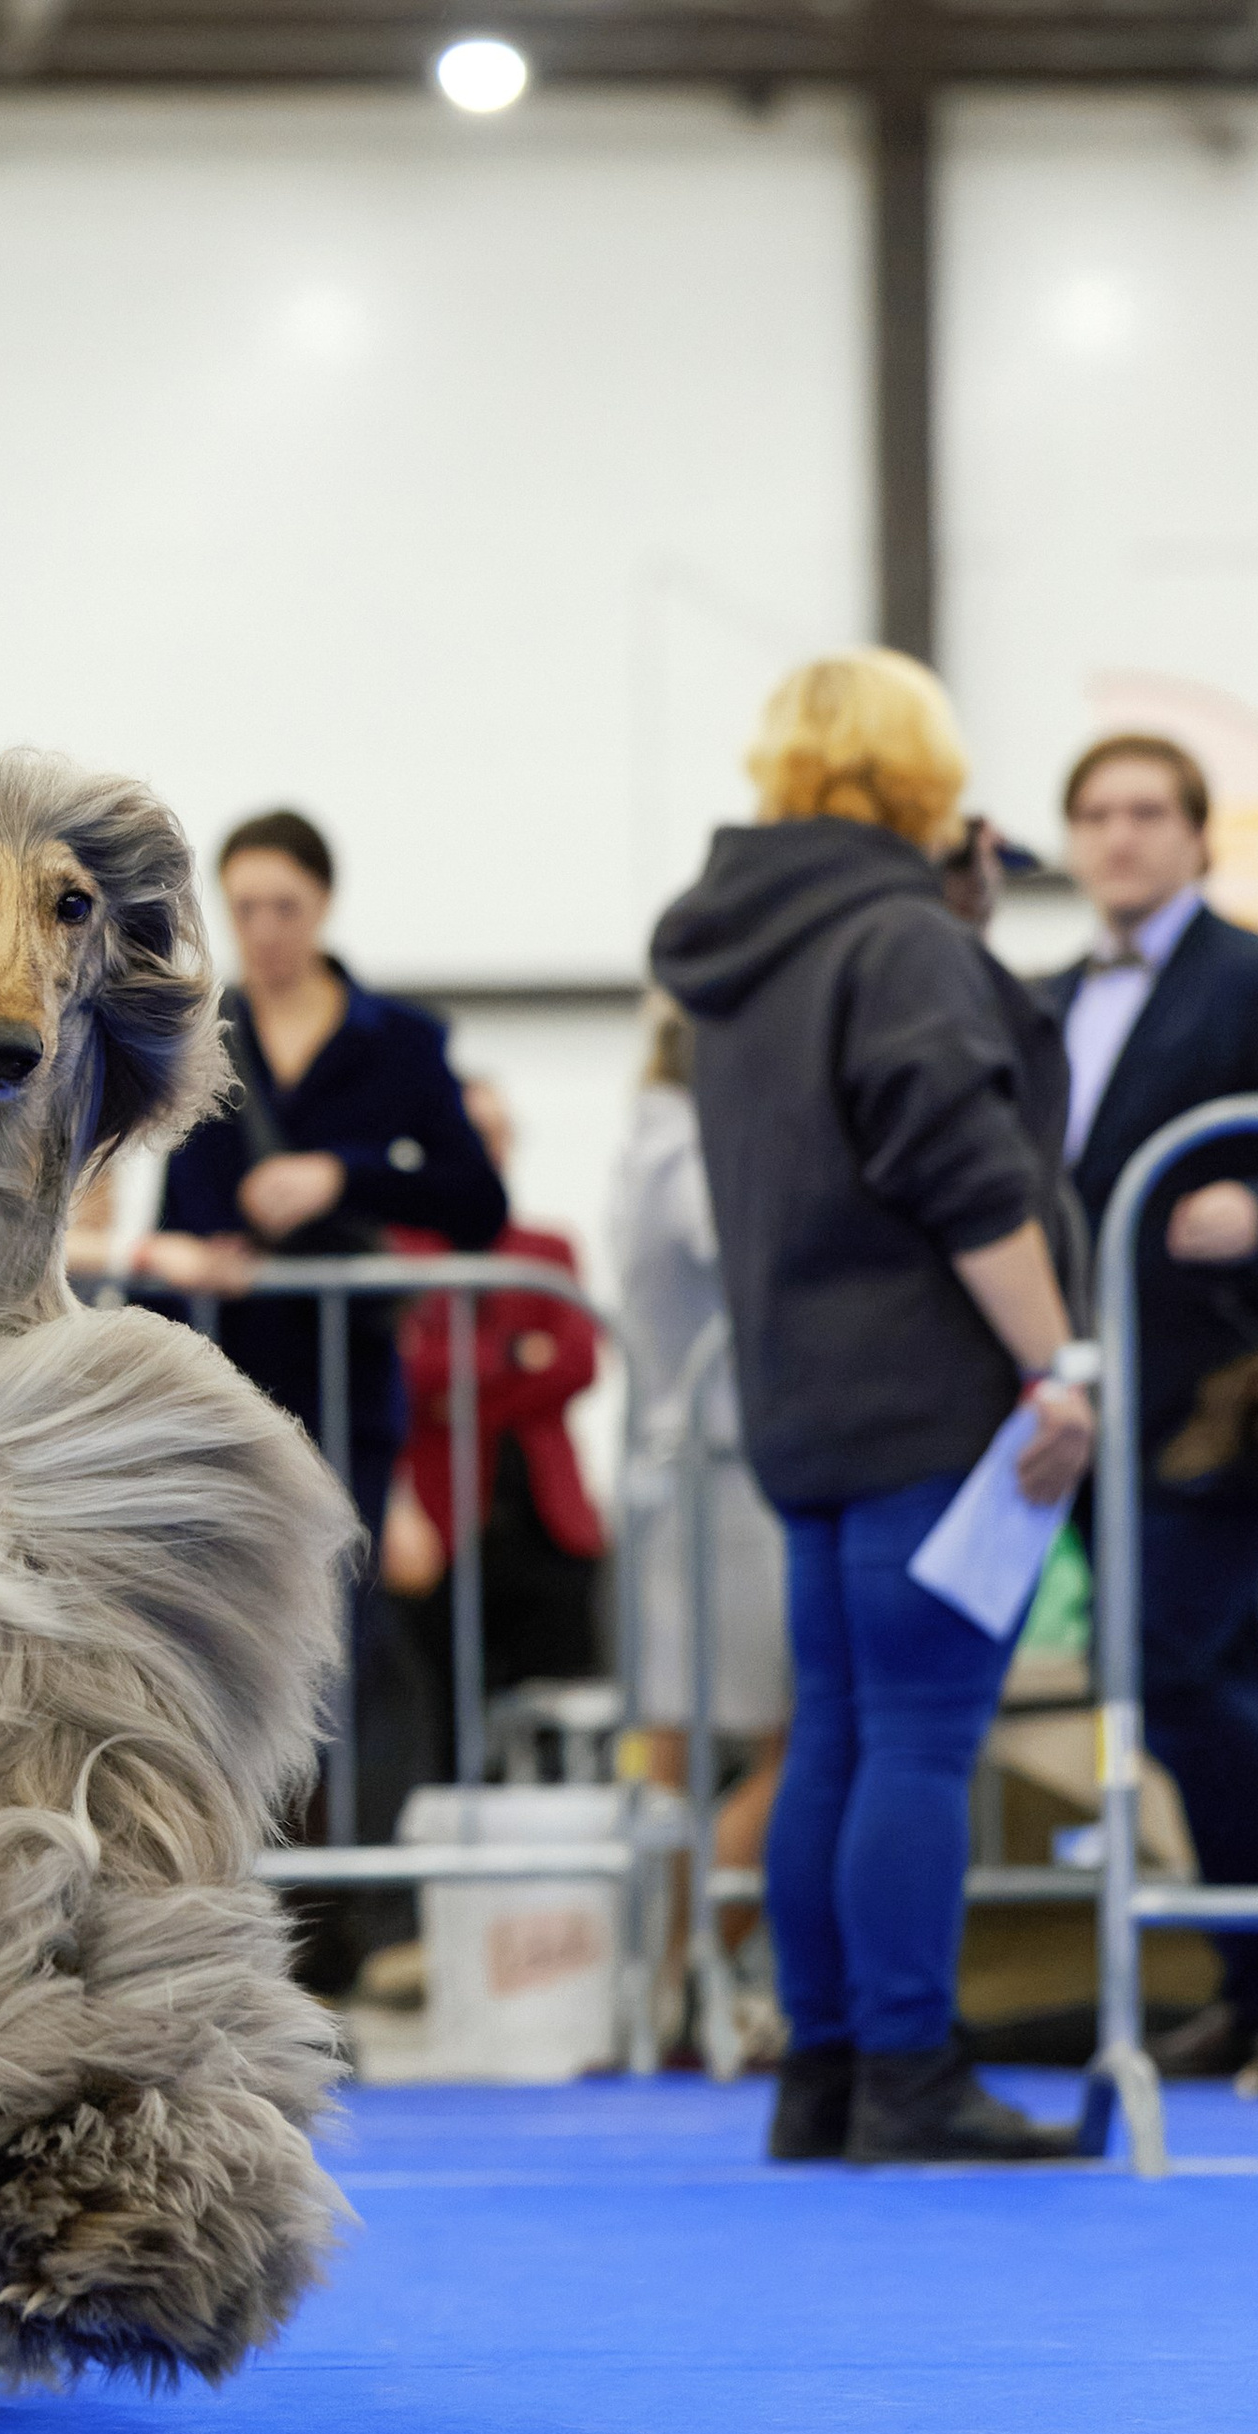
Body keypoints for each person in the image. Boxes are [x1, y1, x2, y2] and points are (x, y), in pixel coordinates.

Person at [651, 648, 1095, 2164]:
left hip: (803, 1401)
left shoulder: (749, 951)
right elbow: (963, 1173)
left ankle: (826, 2074)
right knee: (919, 1736)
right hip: (927, 1396)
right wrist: (1057, 1365)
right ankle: (911, 2070)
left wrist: (946, 923)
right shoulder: (897, 939)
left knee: (837, 1728)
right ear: (922, 773)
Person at [1036, 734, 1258, 2079]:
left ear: (1194, 832)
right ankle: (1243, 1984)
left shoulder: (1245, 976)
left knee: (1175, 1678)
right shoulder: (1042, 996)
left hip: (1224, 1405)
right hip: (1087, 1409)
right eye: (1096, 814)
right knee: (1171, 1685)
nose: (1119, 835)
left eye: (1144, 811)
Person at [140, 811, 505, 1529]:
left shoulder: (400, 1042)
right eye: (245, 909)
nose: (265, 930)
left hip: (348, 1380)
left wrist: (343, 1177)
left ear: (324, 904)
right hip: (222, 1386)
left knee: (343, 1590)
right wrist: (193, 1256)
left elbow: (477, 1203)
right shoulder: (193, 1042)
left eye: (286, 908)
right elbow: (177, 1210)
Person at [607, 995, 790, 1962]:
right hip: (725, 1480)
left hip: (685, 1474)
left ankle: (671, 1974)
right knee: (801, 1743)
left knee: (671, 1744)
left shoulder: (651, 1135)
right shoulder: (691, 1147)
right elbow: (751, 1245)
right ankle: (691, 1965)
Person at [384, 1077, 607, 1704]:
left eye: (497, 1133)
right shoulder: (396, 1253)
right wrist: (512, 1355)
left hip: (545, 1517)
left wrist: (455, 1398)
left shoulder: (547, 1250)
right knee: (439, 1707)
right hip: (441, 1524)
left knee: (560, 1705)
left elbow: (577, 1363)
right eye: (471, 1134)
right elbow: (404, 1372)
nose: (486, 1149)